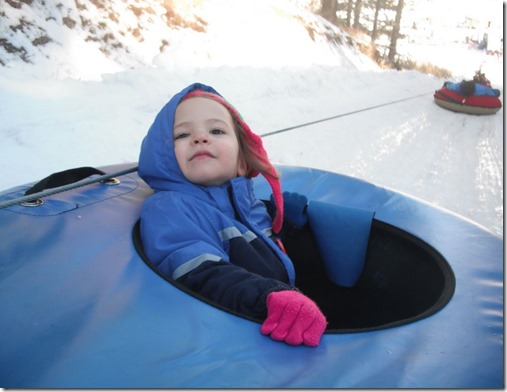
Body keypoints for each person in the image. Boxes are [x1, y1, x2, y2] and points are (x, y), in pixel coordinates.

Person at [138, 82, 327, 347]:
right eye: (182, 135)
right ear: (165, 159)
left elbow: (265, 248)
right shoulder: (170, 208)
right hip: (238, 335)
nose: (200, 138)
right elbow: (197, 273)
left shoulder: (247, 202)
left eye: (216, 130)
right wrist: (267, 296)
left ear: (241, 159)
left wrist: (289, 225)